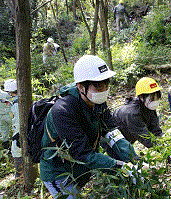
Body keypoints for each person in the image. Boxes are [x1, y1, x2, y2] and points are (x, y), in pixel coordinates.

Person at [40, 55, 138, 198]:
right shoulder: (62, 111)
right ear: (80, 86)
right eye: (98, 85)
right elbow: (83, 153)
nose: (104, 89)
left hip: (80, 168)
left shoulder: (97, 101)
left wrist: (134, 159)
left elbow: (111, 132)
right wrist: (120, 166)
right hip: (58, 173)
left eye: (106, 83)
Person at [113, 77, 164, 149]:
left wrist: (166, 143)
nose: (155, 101)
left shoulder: (148, 106)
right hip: (113, 139)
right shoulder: (132, 113)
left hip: (128, 138)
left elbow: (155, 130)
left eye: (157, 98)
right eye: (152, 98)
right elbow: (145, 138)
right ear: (141, 97)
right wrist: (164, 150)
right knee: (128, 157)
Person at [3, 79, 23, 178]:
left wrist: (17, 135)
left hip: (19, 131)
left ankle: (19, 174)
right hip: (21, 130)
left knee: (16, 150)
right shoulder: (19, 100)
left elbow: (18, 120)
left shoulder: (16, 103)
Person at [0, 86, 12, 150]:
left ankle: (6, 149)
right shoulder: (5, 94)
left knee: (4, 133)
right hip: (9, 115)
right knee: (16, 129)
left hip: (0, 117)